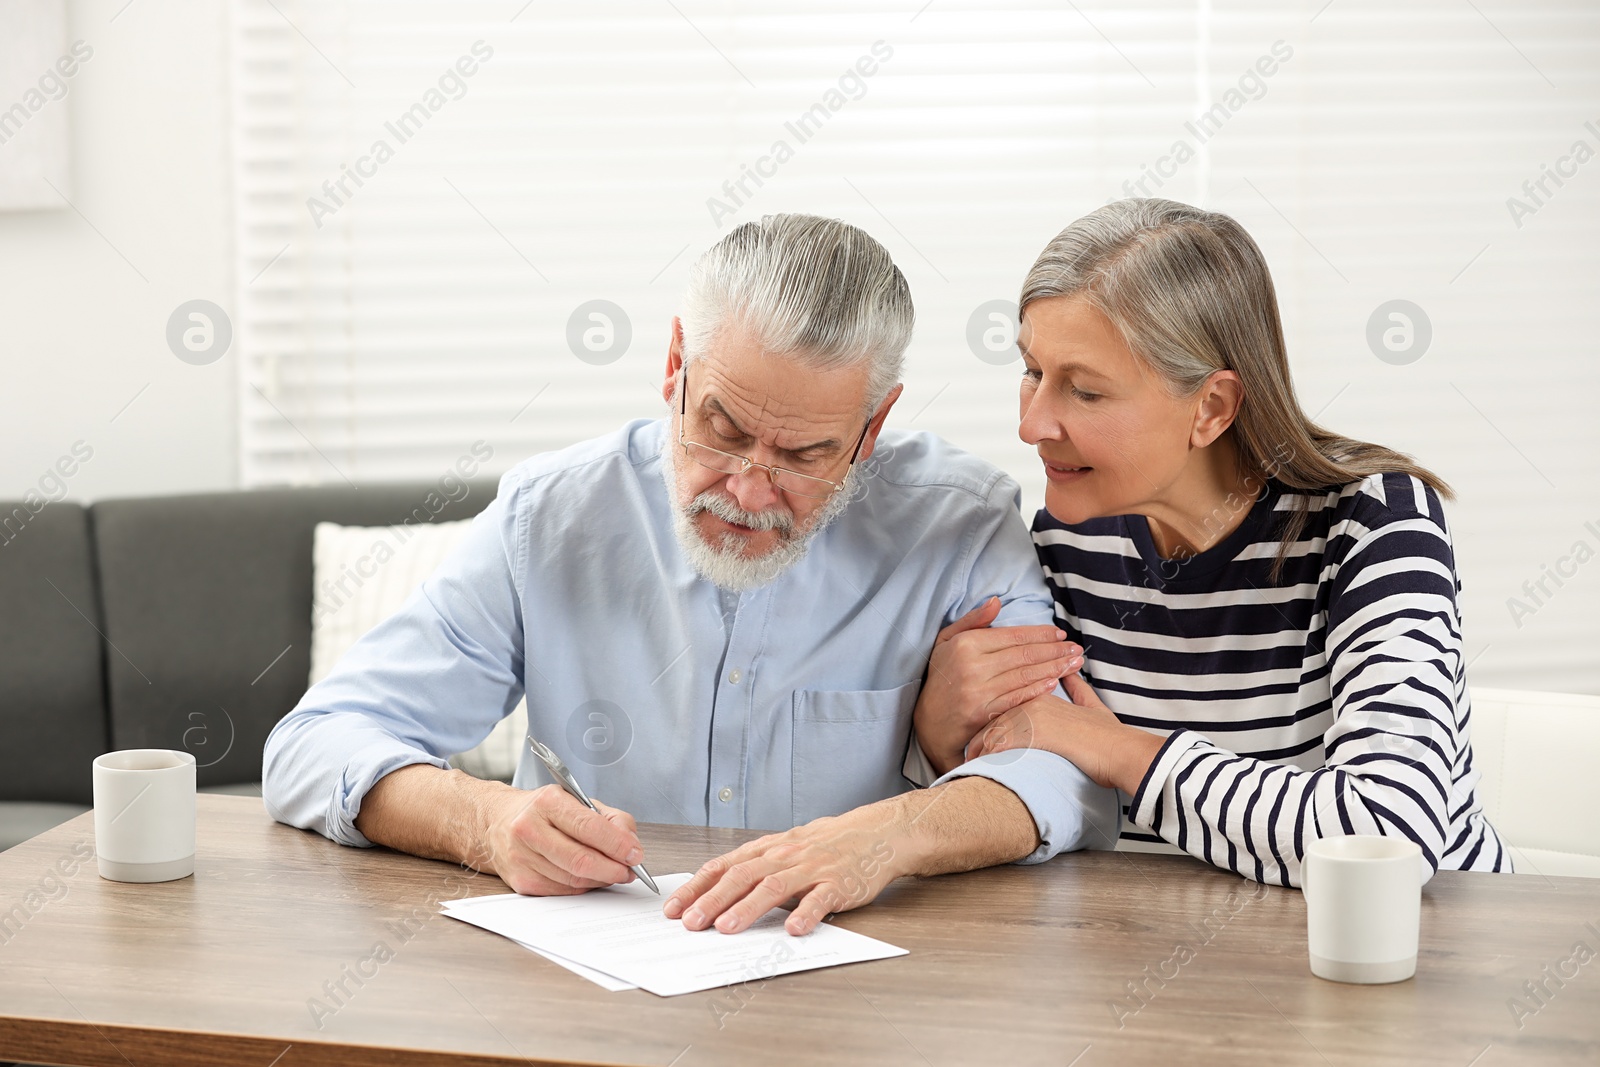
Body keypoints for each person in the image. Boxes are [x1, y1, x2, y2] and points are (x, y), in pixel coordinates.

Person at [264, 214, 1119, 937]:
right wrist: (484, 820)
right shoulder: (551, 515)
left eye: (805, 454)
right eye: (722, 427)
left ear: (871, 428)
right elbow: (314, 743)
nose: (749, 489)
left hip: (848, 996)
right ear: (676, 364)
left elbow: (1065, 777)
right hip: (583, 994)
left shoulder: (959, 527)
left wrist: (886, 837)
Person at [920, 198, 1508, 887]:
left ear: (1212, 408)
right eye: (1031, 371)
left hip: (1421, 953)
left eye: (1085, 391)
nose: (1032, 424)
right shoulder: (1062, 542)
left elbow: (1389, 833)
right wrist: (937, 729)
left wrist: (1117, 750)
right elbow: (1038, 788)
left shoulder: (1372, 521)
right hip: (1176, 957)